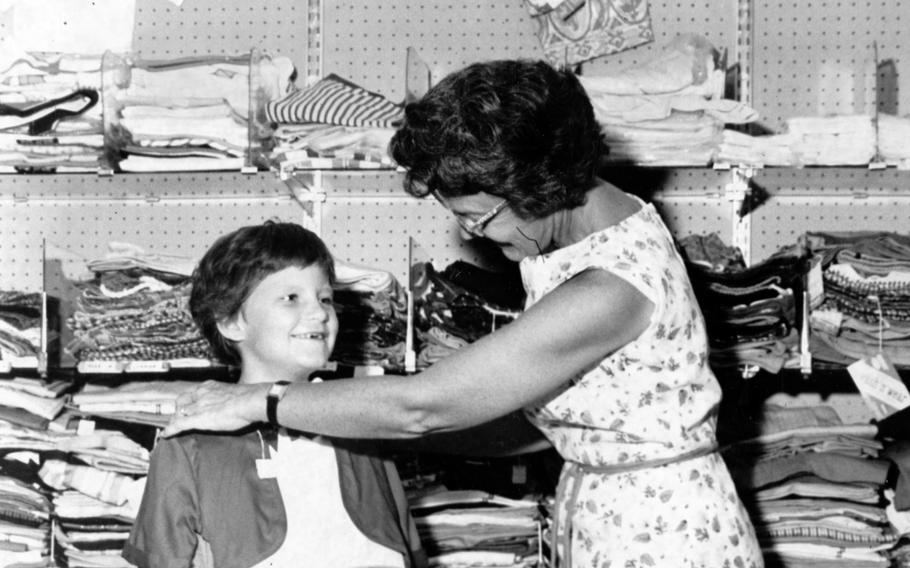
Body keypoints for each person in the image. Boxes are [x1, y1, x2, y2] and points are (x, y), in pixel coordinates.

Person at [163, 60, 764, 568]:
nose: (472, 235)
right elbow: (549, 415)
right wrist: (356, 429)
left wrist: (259, 399)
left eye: (479, 218)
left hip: (664, 535)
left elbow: (423, 405)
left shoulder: (609, 287)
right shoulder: (594, 224)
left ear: (539, 186)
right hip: (618, 512)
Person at [123, 222, 426, 568]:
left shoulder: (359, 429)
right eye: (291, 298)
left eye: (325, 298)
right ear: (231, 321)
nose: (319, 313)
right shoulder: (188, 445)